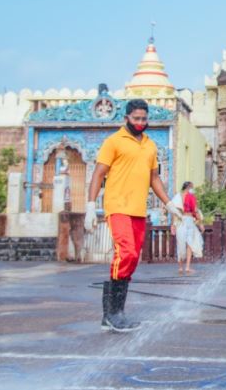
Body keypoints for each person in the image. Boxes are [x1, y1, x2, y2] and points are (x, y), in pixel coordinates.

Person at [86, 99, 171, 333]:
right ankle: (114, 313)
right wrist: (91, 205)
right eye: (136, 119)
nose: (141, 123)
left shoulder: (150, 145)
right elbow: (98, 173)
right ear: (126, 118)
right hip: (117, 206)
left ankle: (111, 315)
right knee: (126, 253)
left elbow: (154, 178)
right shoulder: (113, 142)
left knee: (132, 260)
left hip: (137, 209)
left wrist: (169, 203)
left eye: (144, 119)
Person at [168, 181, 205, 275]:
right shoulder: (178, 197)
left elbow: (195, 210)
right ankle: (181, 268)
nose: (192, 189)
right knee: (180, 244)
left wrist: (199, 223)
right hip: (182, 220)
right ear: (188, 187)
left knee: (190, 245)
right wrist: (173, 225)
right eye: (191, 187)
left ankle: (187, 267)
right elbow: (174, 212)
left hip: (189, 221)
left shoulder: (191, 197)